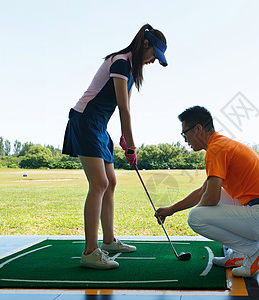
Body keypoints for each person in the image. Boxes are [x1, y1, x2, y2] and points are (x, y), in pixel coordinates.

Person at [62, 24, 168, 269]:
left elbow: (126, 107)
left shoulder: (131, 70)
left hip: (99, 125)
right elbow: (123, 108)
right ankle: (90, 251)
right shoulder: (120, 62)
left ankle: (108, 241)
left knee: (111, 182)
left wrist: (125, 138)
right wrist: (131, 146)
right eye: (154, 54)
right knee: (99, 183)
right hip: (86, 120)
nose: (153, 60)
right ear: (145, 43)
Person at [155, 106, 259, 277]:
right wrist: (171, 210)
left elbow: (211, 198)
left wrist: (201, 210)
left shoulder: (216, 149)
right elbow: (203, 192)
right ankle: (239, 254)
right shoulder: (221, 145)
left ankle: (256, 251)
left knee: (196, 217)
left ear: (198, 129)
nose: (185, 140)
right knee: (207, 205)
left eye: (185, 134)